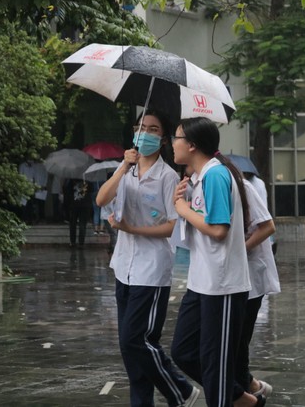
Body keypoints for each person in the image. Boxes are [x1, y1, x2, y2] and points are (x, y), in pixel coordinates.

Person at [97, 109, 199, 407]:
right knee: (129, 348)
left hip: (151, 270)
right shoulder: (125, 168)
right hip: (123, 267)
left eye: (153, 129)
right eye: (141, 126)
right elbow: (101, 200)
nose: (145, 132)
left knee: (137, 340)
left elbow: (172, 225)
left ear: (163, 139)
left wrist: (131, 228)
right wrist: (121, 168)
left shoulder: (167, 176)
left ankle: (180, 390)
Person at [170, 117, 264, 407]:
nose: (173, 144)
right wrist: (183, 202)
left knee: (216, 364)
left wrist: (183, 209)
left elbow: (219, 229)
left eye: (177, 138)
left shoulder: (215, 175)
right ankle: (240, 398)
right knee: (183, 351)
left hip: (222, 286)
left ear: (192, 145)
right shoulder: (200, 179)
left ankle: (230, 397)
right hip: (202, 282)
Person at [235, 180, 279, 400]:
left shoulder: (244, 185)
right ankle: (250, 387)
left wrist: (240, 248)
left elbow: (268, 225)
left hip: (250, 275)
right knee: (236, 344)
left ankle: (247, 391)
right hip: (227, 278)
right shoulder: (193, 185)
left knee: (239, 342)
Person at [64, 178, 92, 248]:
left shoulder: (71, 180)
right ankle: (81, 243)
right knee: (82, 224)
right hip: (84, 205)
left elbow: (67, 192)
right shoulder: (88, 180)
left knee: (72, 224)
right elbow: (91, 190)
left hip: (74, 205)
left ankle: (72, 242)